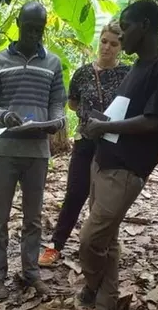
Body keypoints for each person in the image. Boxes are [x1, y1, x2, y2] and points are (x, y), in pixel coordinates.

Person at [78, 0, 158, 310]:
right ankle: (106, 306)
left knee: (90, 240)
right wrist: (96, 123)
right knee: (108, 241)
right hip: (102, 163)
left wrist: (104, 126)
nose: (122, 34)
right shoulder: (136, 69)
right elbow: (125, 112)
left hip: (126, 170)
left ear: (145, 26)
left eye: (127, 27)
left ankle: (91, 285)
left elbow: (152, 121)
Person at [0, 1, 66, 300]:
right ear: (17, 23)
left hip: (37, 151)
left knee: (33, 218)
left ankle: (30, 273)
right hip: (5, 148)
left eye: (39, 29)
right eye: (28, 28)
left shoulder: (53, 63)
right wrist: (2, 115)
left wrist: (56, 120)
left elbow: (58, 101)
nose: (33, 34)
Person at [38, 21, 130, 267]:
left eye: (114, 43)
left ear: (121, 46)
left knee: (105, 201)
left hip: (113, 144)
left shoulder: (127, 74)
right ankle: (56, 245)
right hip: (85, 141)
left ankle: (101, 247)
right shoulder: (82, 73)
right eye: (104, 41)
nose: (107, 48)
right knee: (75, 193)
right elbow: (73, 103)